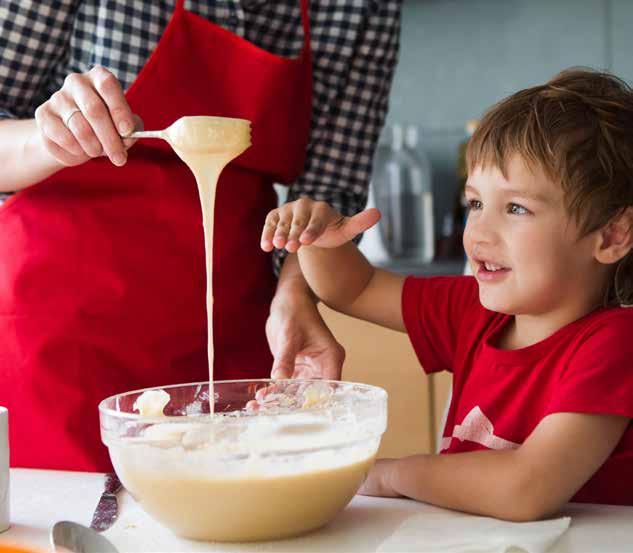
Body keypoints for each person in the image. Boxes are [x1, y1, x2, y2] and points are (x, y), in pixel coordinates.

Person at [0, 0, 402, 471]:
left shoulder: (362, 7)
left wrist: (295, 297)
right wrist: (50, 139)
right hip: (57, 329)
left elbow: (330, 189)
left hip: (230, 319)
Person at [261, 68, 633, 520]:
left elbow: (525, 489)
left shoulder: (615, 344)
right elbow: (353, 288)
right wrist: (318, 239)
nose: (478, 232)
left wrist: (389, 475)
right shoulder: (472, 309)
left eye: (516, 208)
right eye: (475, 203)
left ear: (612, 235)